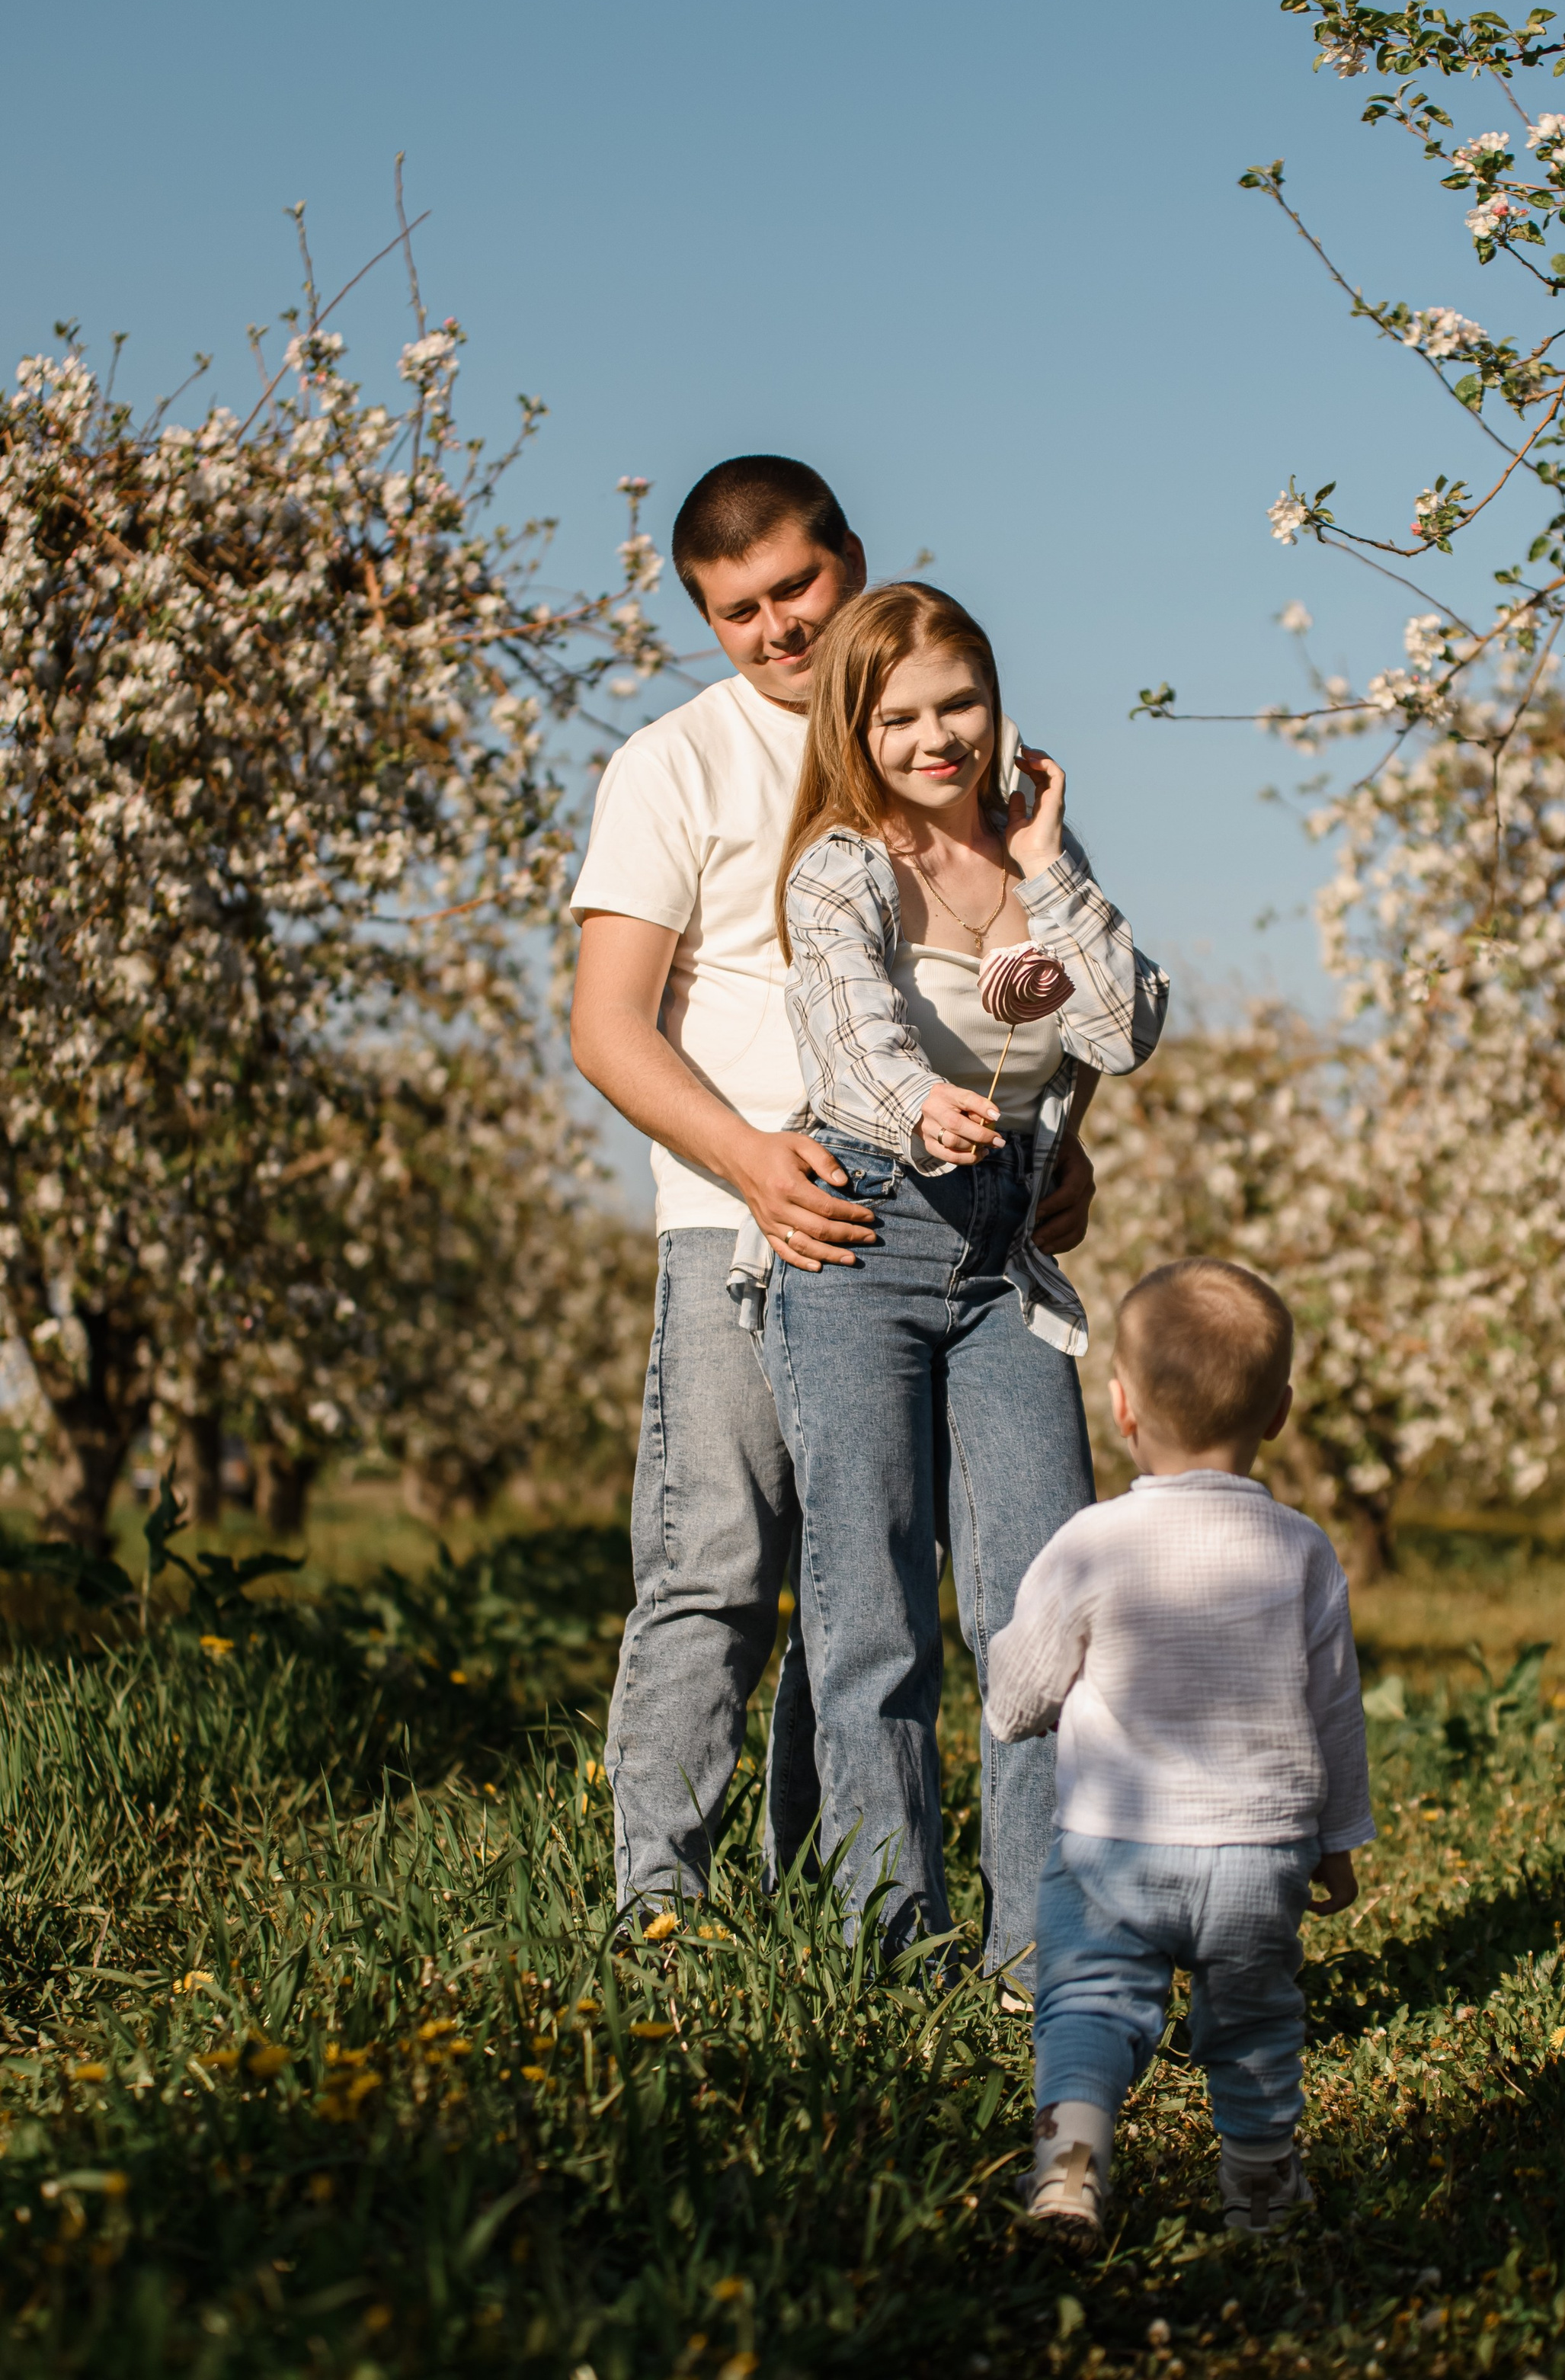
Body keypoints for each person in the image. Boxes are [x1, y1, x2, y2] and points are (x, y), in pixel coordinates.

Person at [569, 460, 1102, 1923]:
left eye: (797, 588)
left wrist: (1061, 1145)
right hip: (740, 1214)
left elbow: (1021, 996)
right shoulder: (671, 764)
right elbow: (606, 1024)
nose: (776, 630)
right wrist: (750, 1160)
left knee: (876, 1583)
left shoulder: (934, 750)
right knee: (724, 1567)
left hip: (944, 1216)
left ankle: (829, 1898)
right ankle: (658, 1902)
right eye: (736, 611)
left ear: (849, 561)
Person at [757, 578, 1169, 1984]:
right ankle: (890, 1945)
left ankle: (1034, 1952)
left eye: (961, 704)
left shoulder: (1043, 862)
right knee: (870, 1606)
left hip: (1007, 1261)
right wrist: (916, 1101)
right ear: (855, 728)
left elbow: (1124, 1029)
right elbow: (846, 1028)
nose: (939, 737)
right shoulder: (839, 867)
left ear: (997, 705)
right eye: (903, 715)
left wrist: (1048, 865)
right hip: (863, 1239)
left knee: (1044, 1611)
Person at [986, 1258, 1375, 2250]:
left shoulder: (1093, 1541)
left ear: (1119, 1404)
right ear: (1281, 1409)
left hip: (1114, 1842)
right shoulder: (1303, 1550)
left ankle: (1071, 2173)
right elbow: (1337, 1710)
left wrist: (1011, 1711)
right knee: (1253, 2025)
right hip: (1259, 1851)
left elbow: (1028, 1679)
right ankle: (1259, 2192)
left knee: (1088, 2004)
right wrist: (1338, 1840)